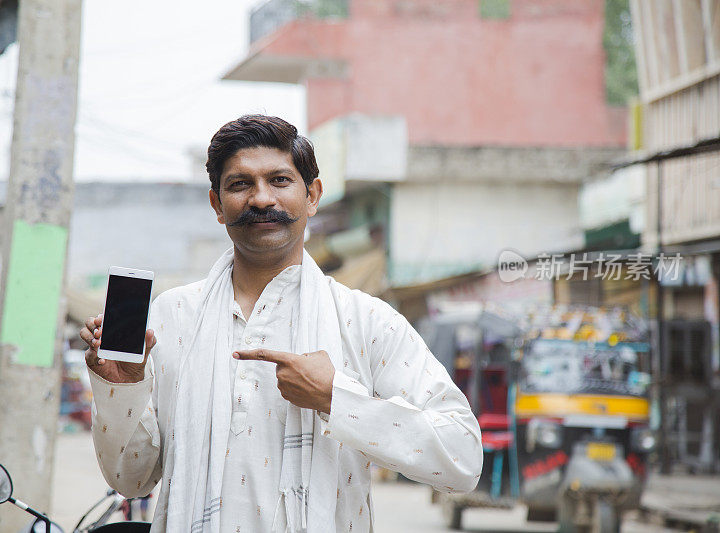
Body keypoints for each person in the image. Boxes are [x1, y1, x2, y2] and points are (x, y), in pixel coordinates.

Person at [82, 115, 482, 533]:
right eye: (239, 184)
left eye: (279, 181)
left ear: (312, 196)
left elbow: (463, 458)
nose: (260, 199)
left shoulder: (365, 322)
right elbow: (131, 480)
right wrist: (121, 388)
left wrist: (335, 398)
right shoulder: (172, 316)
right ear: (217, 206)